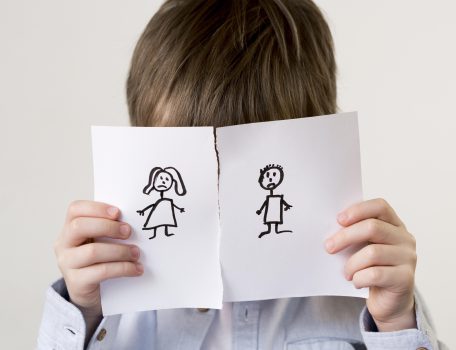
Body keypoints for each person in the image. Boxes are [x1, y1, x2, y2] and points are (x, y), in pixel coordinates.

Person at [37, 0, 448, 349]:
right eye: (193, 160)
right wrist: (84, 310)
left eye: (242, 167)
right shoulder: (116, 306)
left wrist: (396, 323)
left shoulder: (364, 292)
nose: (218, 193)